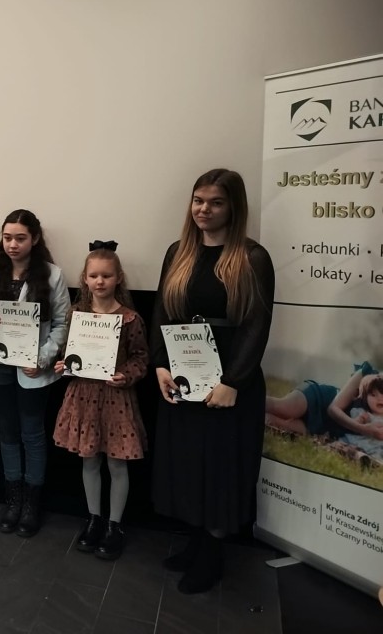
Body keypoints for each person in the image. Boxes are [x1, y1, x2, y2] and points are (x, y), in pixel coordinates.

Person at [151, 168, 274, 594]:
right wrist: (161, 364)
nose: (204, 209)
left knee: (221, 468)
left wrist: (233, 381)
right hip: (185, 374)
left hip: (229, 382)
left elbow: (257, 324)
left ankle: (212, 555)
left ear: (233, 207)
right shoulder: (178, 252)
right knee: (189, 465)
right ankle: (197, 543)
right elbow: (163, 311)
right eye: (198, 200)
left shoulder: (252, 257)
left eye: (216, 202)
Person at [53, 241, 148, 561]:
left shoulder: (131, 318)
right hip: (83, 396)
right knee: (89, 460)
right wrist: (64, 364)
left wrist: (127, 375)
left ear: (118, 278)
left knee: (117, 463)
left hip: (116, 398)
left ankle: (114, 525)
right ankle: (94, 518)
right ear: (85, 278)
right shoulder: (76, 314)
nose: (100, 281)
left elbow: (141, 358)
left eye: (106, 275)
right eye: (94, 275)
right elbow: (68, 351)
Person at [0, 209, 71, 537]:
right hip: (0, 365)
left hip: (33, 368)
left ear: (35, 239)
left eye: (20, 238)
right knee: (7, 433)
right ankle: (13, 500)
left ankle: (32, 504)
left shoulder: (53, 275)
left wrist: (43, 358)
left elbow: (62, 324)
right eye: (7, 238)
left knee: (32, 434)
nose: (12, 244)